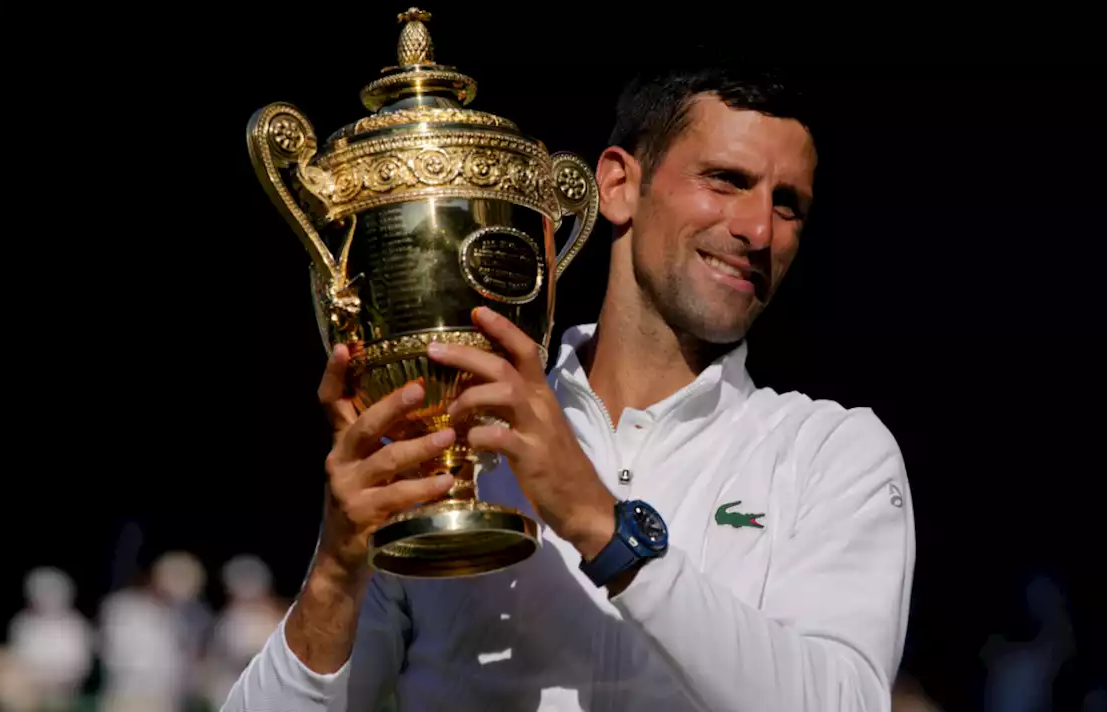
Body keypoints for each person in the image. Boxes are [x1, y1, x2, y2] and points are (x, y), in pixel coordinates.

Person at [223, 63, 915, 711]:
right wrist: (337, 571)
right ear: (617, 186)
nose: (758, 229)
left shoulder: (832, 451)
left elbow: (846, 701)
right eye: (726, 180)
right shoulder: (451, 442)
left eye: (788, 204)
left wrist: (599, 523)